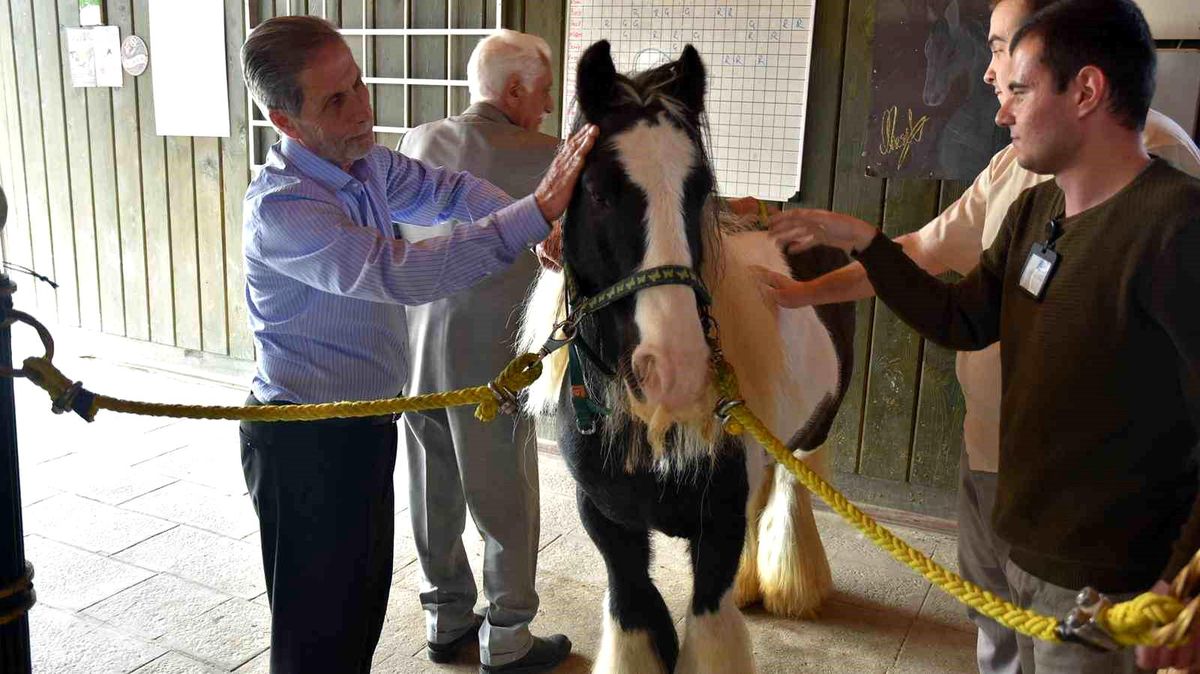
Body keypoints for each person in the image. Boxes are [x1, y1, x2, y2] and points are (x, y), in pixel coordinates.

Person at [762, 0, 1200, 671]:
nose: (1001, 112)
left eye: (1020, 89)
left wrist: (1185, 583)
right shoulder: (1035, 208)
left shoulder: (1176, 225)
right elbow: (962, 319)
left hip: (1115, 575)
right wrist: (867, 241)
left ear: (1086, 90)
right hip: (1023, 538)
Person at [237, 16, 596, 674]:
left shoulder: (367, 165)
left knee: (358, 608)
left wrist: (531, 227)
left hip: (366, 422)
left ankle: (445, 620)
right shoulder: (285, 207)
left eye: (359, 84)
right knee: (316, 630)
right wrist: (534, 213)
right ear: (285, 121)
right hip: (304, 441)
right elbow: (396, 273)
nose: (362, 108)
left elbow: (448, 191)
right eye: (335, 100)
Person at [395, 30, 568, 673]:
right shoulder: (552, 158)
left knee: (431, 488)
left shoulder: (417, 141)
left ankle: (444, 619)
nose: (547, 106)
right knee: (506, 499)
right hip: (494, 363)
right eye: (543, 92)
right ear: (515, 89)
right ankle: (509, 636)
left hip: (415, 352)